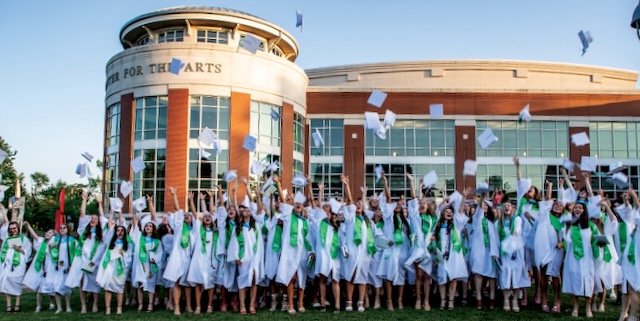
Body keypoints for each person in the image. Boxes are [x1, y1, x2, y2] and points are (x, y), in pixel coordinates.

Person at [274, 175, 314, 314]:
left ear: (303, 207)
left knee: (302, 279)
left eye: (300, 203)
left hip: (302, 252)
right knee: (291, 277)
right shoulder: (287, 216)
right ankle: (291, 304)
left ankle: (301, 303)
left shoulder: (304, 221)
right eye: (296, 203)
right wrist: (279, 185)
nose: (297, 205)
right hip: (289, 252)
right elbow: (284, 202)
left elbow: (308, 238)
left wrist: (311, 251)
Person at [562, 173, 600, 318]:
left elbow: (598, 241)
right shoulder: (569, 224)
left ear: (584, 211)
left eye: (580, 208)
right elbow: (565, 240)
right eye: (576, 207)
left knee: (588, 282)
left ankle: (588, 307)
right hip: (573, 257)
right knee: (575, 280)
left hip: (588, 258)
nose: (577, 209)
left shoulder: (591, 225)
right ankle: (576, 307)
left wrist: (600, 254)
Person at [65, 192, 107, 313]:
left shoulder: (102, 233)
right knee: (82, 281)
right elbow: (82, 214)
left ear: (98, 222)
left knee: (94, 282)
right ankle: (83, 305)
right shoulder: (83, 230)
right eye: (91, 218)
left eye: (95, 219)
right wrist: (84, 200)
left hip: (94, 260)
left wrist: (99, 202)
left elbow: (102, 216)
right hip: (81, 259)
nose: (93, 219)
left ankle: (95, 304)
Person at [228, 183, 265, 315]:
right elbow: (234, 244)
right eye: (244, 210)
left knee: (254, 280)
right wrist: (236, 256)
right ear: (242, 213)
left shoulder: (256, 226)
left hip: (255, 257)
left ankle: (251, 304)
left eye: (249, 209)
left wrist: (257, 195)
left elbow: (260, 209)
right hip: (243, 258)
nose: (247, 211)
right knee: (243, 282)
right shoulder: (237, 228)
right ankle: (242, 305)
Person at [377, 173, 411, 310]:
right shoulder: (388, 217)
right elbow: (389, 198)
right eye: (394, 205)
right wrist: (385, 182)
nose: (397, 206)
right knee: (389, 275)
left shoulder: (406, 222)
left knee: (401, 275)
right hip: (390, 250)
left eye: (399, 205)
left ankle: (400, 300)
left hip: (402, 251)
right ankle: (389, 300)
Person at [341, 175, 374, 313]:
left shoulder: (368, 222)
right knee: (351, 275)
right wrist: (347, 185)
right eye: (356, 204)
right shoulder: (350, 218)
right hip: (352, 251)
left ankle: (360, 302)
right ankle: (349, 301)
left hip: (365, 252)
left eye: (360, 204)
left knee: (362, 277)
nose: (358, 205)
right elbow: (349, 201)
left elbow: (376, 235)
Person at [405, 174, 438, 311]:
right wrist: (413, 183)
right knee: (419, 275)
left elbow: (434, 232)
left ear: (428, 206)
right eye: (420, 203)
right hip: (418, 249)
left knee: (427, 276)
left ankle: (426, 301)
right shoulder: (414, 217)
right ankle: (418, 300)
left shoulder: (431, 219)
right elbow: (414, 198)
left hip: (428, 249)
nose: (422, 203)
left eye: (424, 202)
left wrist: (434, 237)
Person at [535, 180, 567, 313]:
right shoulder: (545, 216)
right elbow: (548, 200)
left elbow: (569, 236)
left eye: (560, 205)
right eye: (556, 204)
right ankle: (544, 299)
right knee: (542, 274)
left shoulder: (565, 220)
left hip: (557, 250)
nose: (558, 206)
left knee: (555, 276)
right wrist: (550, 186)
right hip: (544, 249)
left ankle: (557, 301)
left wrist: (563, 243)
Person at [433, 188, 468, 311]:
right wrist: (444, 200)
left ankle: (451, 301)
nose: (449, 213)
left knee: (453, 279)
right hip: (441, 255)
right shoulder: (438, 225)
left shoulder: (456, 225)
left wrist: (463, 197)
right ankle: (443, 301)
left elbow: (460, 210)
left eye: (450, 212)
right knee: (442, 279)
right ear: (443, 214)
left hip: (454, 255)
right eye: (446, 211)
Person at [130, 195, 164, 313]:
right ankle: (140, 304)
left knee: (150, 285)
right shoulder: (140, 238)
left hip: (151, 265)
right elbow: (135, 224)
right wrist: (134, 212)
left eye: (150, 226)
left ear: (153, 229)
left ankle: (150, 304)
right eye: (147, 226)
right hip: (141, 265)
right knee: (140, 284)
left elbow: (160, 253)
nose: (148, 227)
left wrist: (156, 259)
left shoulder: (157, 241)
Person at [312, 183, 342, 313]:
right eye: (324, 209)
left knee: (335, 279)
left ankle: (337, 305)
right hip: (323, 255)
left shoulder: (337, 226)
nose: (326, 210)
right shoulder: (319, 222)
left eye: (328, 209)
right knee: (322, 279)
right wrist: (320, 191)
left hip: (334, 255)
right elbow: (318, 206)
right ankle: (323, 304)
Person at [97, 210, 134, 315]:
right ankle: (108, 308)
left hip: (121, 268)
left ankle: (119, 308)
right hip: (110, 267)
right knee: (108, 288)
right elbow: (109, 228)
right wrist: (112, 213)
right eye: (118, 230)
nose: (120, 232)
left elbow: (129, 257)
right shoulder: (110, 242)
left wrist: (123, 254)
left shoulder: (128, 245)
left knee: (119, 288)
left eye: (122, 230)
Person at [469, 193, 499, 310]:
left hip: (491, 251)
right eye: (483, 205)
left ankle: (492, 298)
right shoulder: (477, 219)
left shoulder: (492, 222)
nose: (484, 206)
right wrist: (482, 197)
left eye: (487, 205)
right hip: (479, 249)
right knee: (478, 273)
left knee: (492, 274)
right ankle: (479, 298)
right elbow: (480, 209)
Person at [0, 208, 32, 313]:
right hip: (7, 265)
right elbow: (5, 222)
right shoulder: (6, 239)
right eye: (11, 229)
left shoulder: (24, 239)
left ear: (18, 229)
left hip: (18, 264)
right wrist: (3, 211)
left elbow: (27, 251)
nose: (12, 230)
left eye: (14, 228)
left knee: (17, 283)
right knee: (6, 282)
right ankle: (9, 305)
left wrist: (19, 249)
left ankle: (17, 304)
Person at [21, 221, 55, 312]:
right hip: (40, 268)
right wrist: (28, 226)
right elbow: (34, 235)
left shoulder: (53, 244)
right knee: (40, 289)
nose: (48, 233)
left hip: (49, 268)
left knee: (51, 286)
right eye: (47, 232)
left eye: (50, 233)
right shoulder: (41, 241)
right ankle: (38, 306)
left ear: (53, 236)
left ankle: (52, 304)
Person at [46, 222, 78, 313]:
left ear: (68, 229)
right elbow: (49, 249)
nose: (62, 229)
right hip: (57, 266)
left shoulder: (72, 240)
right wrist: (51, 246)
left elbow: (76, 253)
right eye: (60, 228)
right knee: (56, 286)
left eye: (64, 228)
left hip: (67, 265)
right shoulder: (56, 239)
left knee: (67, 287)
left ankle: (68, 306)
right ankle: (59, 307)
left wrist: (72, 265)